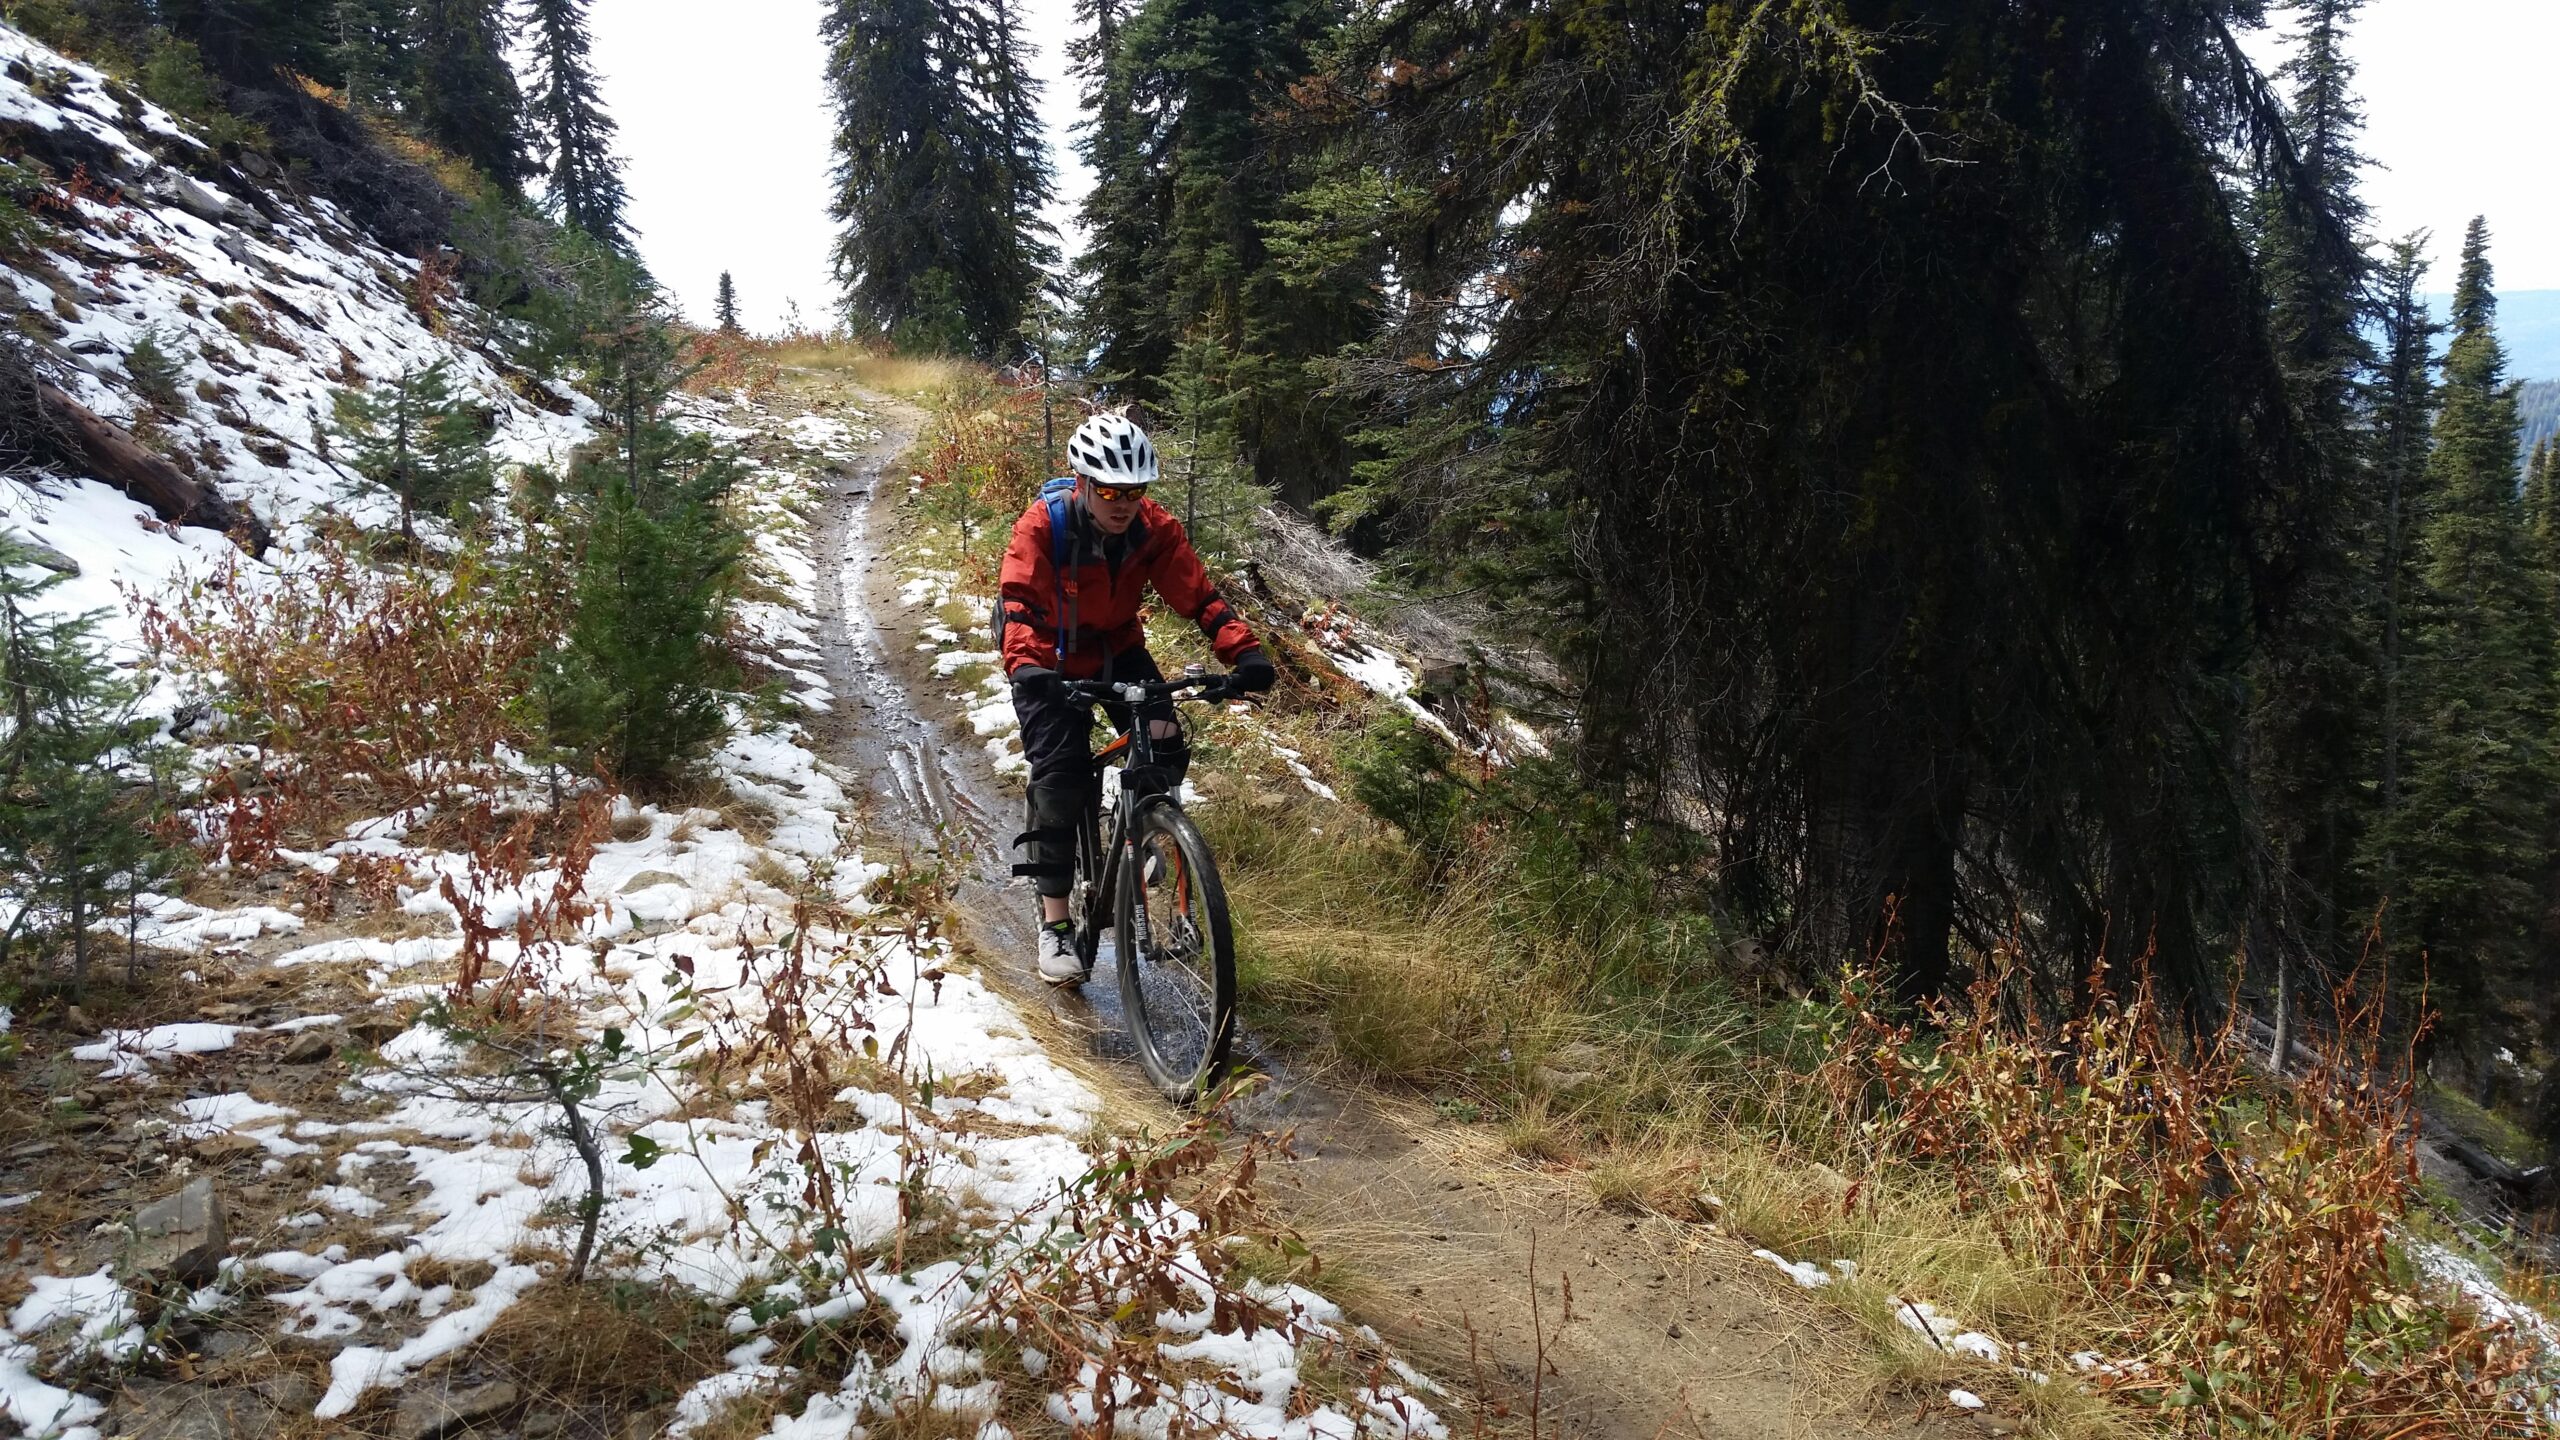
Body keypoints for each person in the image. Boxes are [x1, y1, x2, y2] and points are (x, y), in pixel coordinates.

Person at [1000, 412, 1276, 983]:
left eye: (1132, 491)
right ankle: (1054, 926)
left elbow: (1199, 597)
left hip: (1118, 646)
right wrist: (1027, 666)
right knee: (1062, 775)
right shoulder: (1042, 527)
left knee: (1165, 743)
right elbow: (1018, 601)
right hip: (1048, 656)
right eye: (1107, 490)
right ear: (1080, 482)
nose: (1121, 503)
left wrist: (1242, 654)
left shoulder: (1153, 530)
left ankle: (1148, 828)